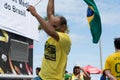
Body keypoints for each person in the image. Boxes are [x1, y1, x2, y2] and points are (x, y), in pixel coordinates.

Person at [27, 0, 71, 79]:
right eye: (51, 25)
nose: (51, 27)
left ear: (63, 27)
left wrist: (36, 14)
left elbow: (51, 32)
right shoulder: (53, 35)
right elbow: (50, 13)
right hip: (41, 76)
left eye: (54, 26)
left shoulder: (66, 39)